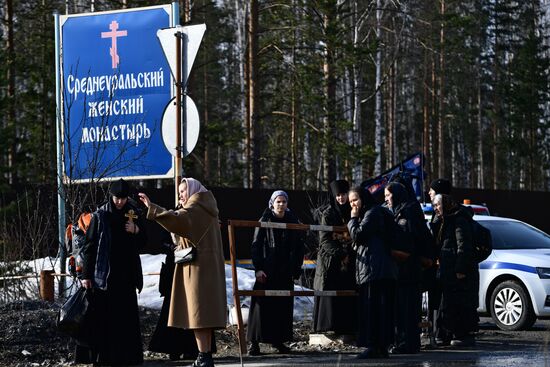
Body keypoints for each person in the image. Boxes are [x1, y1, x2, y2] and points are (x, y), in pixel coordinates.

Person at [138, 178, 226, 367]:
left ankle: (204, 357)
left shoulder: (196, 208)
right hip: (207, 267)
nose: (181, 195)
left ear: (193, 191)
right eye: (179, 192)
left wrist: (152, 208)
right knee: (205, 314)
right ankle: (205, 356)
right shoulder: (206, 207)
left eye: (183, 191)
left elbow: (178, 221)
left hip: (198, 269)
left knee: (199, 315)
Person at [78, 178, 147, 365]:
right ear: (111, 196)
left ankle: (128, 357)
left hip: (127, 275)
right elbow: (89, 247)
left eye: (123, 198)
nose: (120, 202)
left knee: (126, 318)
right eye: (117, 198)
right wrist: (86, 275)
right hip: (105, 276)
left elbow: (145, 242)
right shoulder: (100, 215)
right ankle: (105, 358)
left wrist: (136, 230)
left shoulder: (133, 213)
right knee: (106, 319)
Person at [246, 190, 304, 355]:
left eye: (284, 202)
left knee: (282, 307)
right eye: (278, 202)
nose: (281, 205)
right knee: (260, 307)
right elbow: (256, 246)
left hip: (285, 271)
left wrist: (296, 268)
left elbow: (299, 248)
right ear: (272, 203)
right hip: (267, 270)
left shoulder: (293, 221)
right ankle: (254, 343)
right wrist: (258, 269)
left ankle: (278, 342)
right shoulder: (264, 220)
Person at [348, 186, 397, 359]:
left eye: (355, 200)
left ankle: (373, 345)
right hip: (377, 268)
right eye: (351, 202)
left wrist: (352, 219)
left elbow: (358, 235)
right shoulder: (374, 212)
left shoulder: (372, 213)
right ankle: (380, 346)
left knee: (373, 308)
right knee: (378, 309)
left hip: (374, 268)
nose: (353, 204)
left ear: (363, 198)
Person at [384, 182, 433, 354]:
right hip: (403, 269)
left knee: (407, 309)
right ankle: (403, 341)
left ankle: (408, 343)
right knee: (402, 308)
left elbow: (410, 238)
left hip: (408, 268)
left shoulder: (408, 211)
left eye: (388, 196)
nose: (386, 200)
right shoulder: (401, 209)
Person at [432, 193, 479, 347]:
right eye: (434, 206)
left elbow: (463, 246)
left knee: (461, 304)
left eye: (438, 205)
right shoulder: (445, 220)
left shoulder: (459, 220)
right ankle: (449, 334)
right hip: (448, 270)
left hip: (458, 272)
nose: (436, 209)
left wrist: (460, 269)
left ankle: (462, 336)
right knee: (449, 304)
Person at [312, 180, 357, 336]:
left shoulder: (353, 211)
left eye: (343, 194)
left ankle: (347, 327)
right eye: (338, 195)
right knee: (330, 293)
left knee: (347, 293)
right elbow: (324, 240)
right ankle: (328, 327)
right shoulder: (328, 213)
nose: (341, 198)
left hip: (350, 260)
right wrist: (341, 254)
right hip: (331, 260)